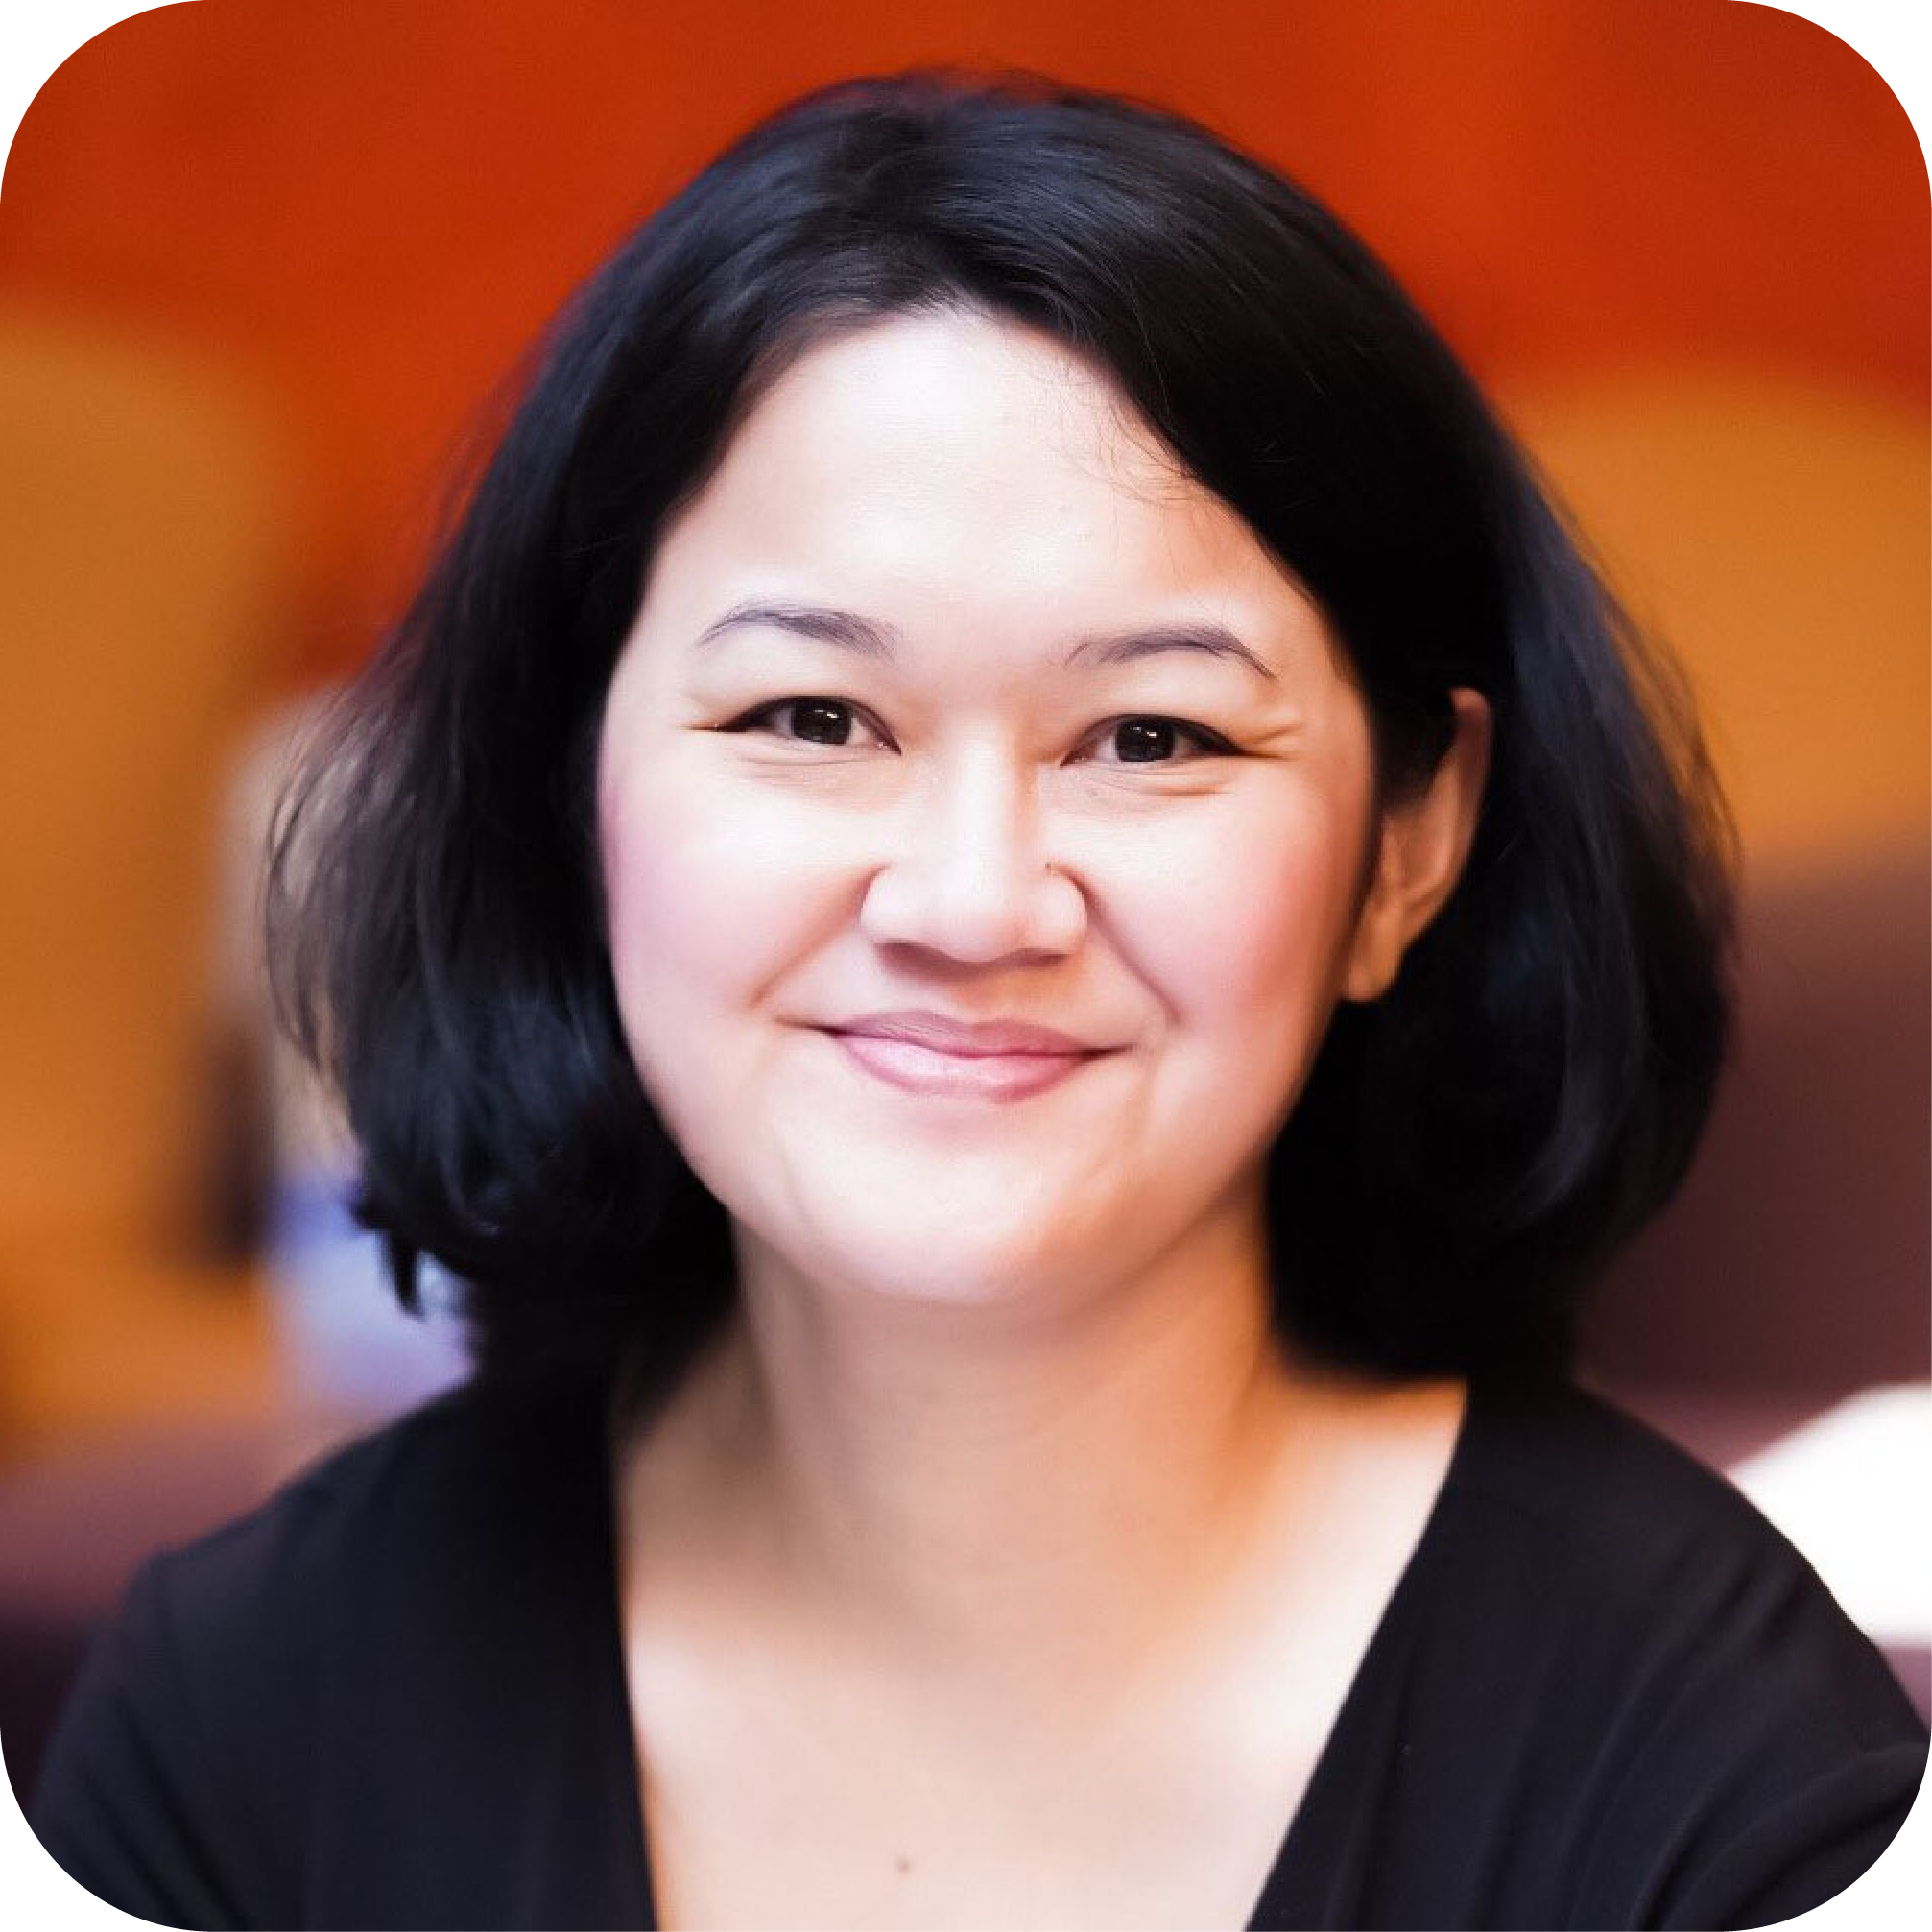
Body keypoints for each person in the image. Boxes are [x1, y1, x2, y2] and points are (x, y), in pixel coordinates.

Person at [29, 69, 1927, 1932]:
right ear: (572, 782)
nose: (969, 902)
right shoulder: (242, 1727)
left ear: (1407, 849)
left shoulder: (1733, 1785)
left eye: (1153, 735)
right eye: (810, 716)